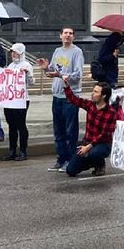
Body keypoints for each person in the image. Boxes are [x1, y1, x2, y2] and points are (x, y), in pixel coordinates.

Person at [36, 27, 84, 172]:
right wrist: (46, 68)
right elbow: (53, 71)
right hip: (57, 96)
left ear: (73, 37)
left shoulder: (77, 52)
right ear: (60, 36)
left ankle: (71, 161)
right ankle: (61, 159)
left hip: (70, 96)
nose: (68, 36)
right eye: (65, 33)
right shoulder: (57, 51)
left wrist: (59, 75)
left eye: (70, 34)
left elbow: (77, 75)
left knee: (70, 131)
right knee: (59, 131)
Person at [60, 81, 118, 177]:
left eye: (96, 92)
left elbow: (104, 135)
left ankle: (99, 164)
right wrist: (66, 86)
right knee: (71, 170)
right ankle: (88, 162)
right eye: (93, 91)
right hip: (87, 141)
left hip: (102, 144)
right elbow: (74, 100)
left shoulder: (111, 112)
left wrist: (88, 148)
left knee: (94, 153)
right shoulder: (90, 105)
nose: (93, 94)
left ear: (103, 96)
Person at [0, 43, 36, 161]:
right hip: (10, 100)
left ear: (21, 53)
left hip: (21, 99)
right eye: (12, 52)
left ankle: (23, 150)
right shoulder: (10, 65)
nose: (13, 54)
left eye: (15, 52)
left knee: (21, 125)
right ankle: (12, 150)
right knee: (11, 126)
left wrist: (27, 74)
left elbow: (32, 83)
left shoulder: (26, 65)